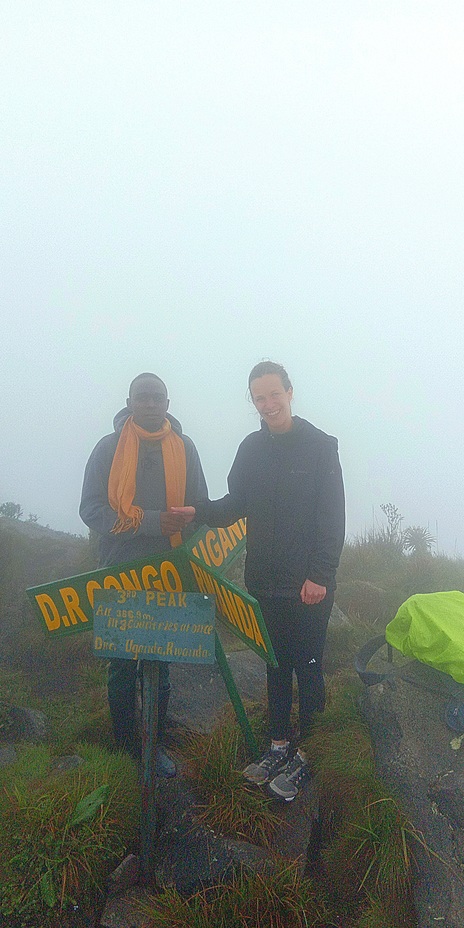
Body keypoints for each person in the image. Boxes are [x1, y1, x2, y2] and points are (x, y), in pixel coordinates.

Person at [173, 361, 345, 800]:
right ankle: (278, 746)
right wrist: (201, 512)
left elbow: (332, 519)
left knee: (307, 669)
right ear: (253, 401)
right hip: (265, 581)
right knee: (274, 665)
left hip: (309, 586)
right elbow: (235, 504)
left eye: (274, 394)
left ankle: (309, 754)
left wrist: (320, 576)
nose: (268, 404)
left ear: (290, 391)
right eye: (259, 398)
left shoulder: (321, 447)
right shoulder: (251, 448)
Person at [80, 372, 207, 776]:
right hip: (118, 571)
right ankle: (123, 748)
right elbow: (91, 509)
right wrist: (149, 523)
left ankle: (154, 748)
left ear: (168, 403)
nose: (151, 404)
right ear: (130, 401)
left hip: (168, 572)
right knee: (121, 665)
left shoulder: (185, 449)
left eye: (158, 397)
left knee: (160, 663)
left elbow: (199, 507)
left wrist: (183, 529)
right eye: (143, 397)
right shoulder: (108, 448)